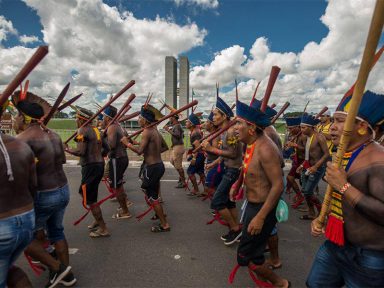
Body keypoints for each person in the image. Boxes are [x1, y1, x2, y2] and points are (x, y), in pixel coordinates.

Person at [307, 90, 384, 287]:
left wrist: (344, 186)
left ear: (361, 126)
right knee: (314, 284)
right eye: (333, 120)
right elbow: (341, 203)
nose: (332, 127)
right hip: (335, 244)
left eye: (340, 121)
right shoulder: (344, 153)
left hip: (368, 256)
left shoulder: (378, 160)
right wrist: (321, 218)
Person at [12, 91, 75, 287]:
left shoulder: (22, 139)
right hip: (63, 189)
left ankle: (57, 268)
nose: (14, 119)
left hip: (43, 194)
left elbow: (20, 174)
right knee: (56, 232)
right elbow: (62, 161)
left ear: (22, 117)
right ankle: (67, 275)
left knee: (24, 237)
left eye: (16, 116)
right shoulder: (54, 135)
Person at [230, 100, 289, 288]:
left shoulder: (266, 149)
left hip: (262, 208)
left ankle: (281, 284)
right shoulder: (252, 143)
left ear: (252, 128)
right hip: (253, 205)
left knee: (247, 258)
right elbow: (248, 165)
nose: (235, 127)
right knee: (251, 254)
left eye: (239, 123)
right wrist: (238, 183)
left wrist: (261, 218)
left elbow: (278, 185)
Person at [0, 99, 36, 288]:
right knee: (9, 269)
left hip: (3, 225)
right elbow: (33, 187)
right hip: (27, 219)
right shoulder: (21, 145)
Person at [201, 96, 243, 246]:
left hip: (233, 171)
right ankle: (236, 228)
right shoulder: (225, 131)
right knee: (229, 203)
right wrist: (214, 163)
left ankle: (235, 229)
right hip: (227, 168)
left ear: (224, 116)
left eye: (216, 114)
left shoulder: (231, 132)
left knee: (218, 201)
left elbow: (233, 154)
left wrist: (211, 149)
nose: (213, 117)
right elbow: (225, 153)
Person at [121, 104, 170, 232]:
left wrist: (127, 144)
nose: (138, 119)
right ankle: (159, 213)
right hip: (158, 165)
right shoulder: (155, 132)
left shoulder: (147, 132)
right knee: (151, 193)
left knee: (151, 196)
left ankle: (164, 224)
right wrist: (150, 148)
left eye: (140, 117)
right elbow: (164, 147)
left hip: (152, 167)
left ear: (145, 120)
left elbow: (139, 151)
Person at [66, 107, 110, 238]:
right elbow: (107, 149)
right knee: (87, 193)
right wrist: (96, 156)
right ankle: (97, 220)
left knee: (90, 198)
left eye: (76, 119)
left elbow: (80, 152)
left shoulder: (82, 130)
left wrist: (66, 148)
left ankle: (103, 228)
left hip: (90, 167)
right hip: (99, 165)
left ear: (80, 119)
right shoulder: (97, 130)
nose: (75, 121)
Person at [102, 105, 131, 219]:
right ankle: (124, 204)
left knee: (116, 186)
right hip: (121, 158)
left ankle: (125, 211)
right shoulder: (117, 126)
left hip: (117, 159)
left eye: (104, 116)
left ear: (108, 117)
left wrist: (102, 139)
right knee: (117, 184)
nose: (103, 118)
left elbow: (111, 145)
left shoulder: (112, 127)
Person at [298, 114, 330, 220]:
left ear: (311, 127)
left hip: (317, 168)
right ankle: (311, 212)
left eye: (304, 127)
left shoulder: (319, 137)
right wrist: (302, 165)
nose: (301, 129)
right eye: (301, 127)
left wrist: (316, 166)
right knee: (306, 192)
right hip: (307, 167)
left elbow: (326, 154)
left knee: (308, 191)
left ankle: (322, 213)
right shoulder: (305, 137)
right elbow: (307, 153)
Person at [283, 116, 306, 208]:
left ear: (297, 127)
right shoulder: (296, 136)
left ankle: (313, 207)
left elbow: (308, 150)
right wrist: (294, 153)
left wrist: (295, 145)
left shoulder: (304, 136)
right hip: (297, 160)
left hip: (304, 162)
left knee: (304, 185)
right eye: (288, 128)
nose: (289, 130)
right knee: (290, 178)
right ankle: (300, 196)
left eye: (291, 128)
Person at [201, 111, 223, 199]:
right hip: (211, 161)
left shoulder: (215, 136)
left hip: (215, 163)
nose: (205, 124)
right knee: (213, 186)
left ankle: (219, 205)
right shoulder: (211, 135)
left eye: (207, 122)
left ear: (211, 124)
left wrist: (208, 148)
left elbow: (216, 151)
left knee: (209, 187)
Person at [185, 113, 205, 196]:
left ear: (191, 124)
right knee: (200, 172)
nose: (186, 123)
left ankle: (196, 190)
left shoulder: (195, 133)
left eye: (187, 122)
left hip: (198, 155)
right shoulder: (194, 131)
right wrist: (190, 149)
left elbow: (198, 147)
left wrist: (193, 158)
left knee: (190, 172)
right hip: (200, 154)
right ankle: (206, 190)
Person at [164, 115, 186, 189]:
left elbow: (177, 135)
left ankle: (183, 181)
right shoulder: (177, 125)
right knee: (172, 161)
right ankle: (181, 177)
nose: (169, 118)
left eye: (170, 117)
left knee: (178, 165)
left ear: (173, 118)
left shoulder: (177, 126)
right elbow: (182, 136)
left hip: (178, 147)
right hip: (177, 146)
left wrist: (168, 130)